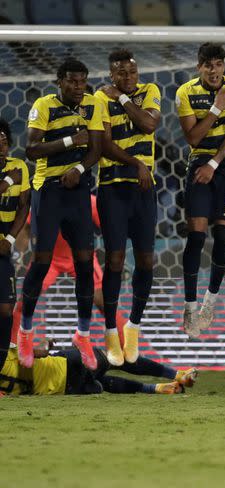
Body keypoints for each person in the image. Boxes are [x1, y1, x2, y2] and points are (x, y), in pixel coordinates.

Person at [20, 57, 104, 370]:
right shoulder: (43, 106)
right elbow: (31, 149)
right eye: (72, 81)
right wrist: (70, 140)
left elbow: (95, 148)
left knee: (85, 262)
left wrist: (80, 169)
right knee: (41, 262)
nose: (78, 87)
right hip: (48, 190)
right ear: (60, 81)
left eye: (82, 81)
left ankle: (83, 335)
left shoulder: (94, 104)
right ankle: (26, 331)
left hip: (79, 190)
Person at [93, 48, 161, 366]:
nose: (128, 77)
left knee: (147, 261)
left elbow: (148, 125)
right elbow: (103, 143)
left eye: (132, 72)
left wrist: (120, 98)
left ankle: (132, 326)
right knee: (116, 260)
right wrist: (137, 163)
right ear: (111, 74)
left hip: (144, 190)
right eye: (121, 73)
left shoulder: (150, 91)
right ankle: (110, 333)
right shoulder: (98, 98)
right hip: (112, 187)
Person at [176, 42, 225, 337]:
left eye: (219, 64)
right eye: (208, 64)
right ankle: (190, 306)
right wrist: (217, 106)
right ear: (199, 67)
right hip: (198, 162)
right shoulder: (185, 93)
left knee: (222, 235)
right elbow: (193, 138)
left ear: (223, 65)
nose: (214, 70)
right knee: (196, 235)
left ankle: (210, 302)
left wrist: (215, 164)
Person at [11, 195, 131, 349]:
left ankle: (125, 351)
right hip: (48, 257)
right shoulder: (44, 198)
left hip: (80, 256)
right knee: (23, 304)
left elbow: (110, 228)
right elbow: (26, 229)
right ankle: (13, 347)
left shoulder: (89, 202)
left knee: (106, 303)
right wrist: (16, 257)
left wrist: (118, 257)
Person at [0, 339, 197, 396]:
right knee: (116, 357)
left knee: (104, 382)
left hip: (66, 390)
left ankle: (158, 389)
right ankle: (178, 375)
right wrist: (45, 343)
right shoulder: (3, 352)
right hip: (68, 365)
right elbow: (38, 353)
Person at [0, 119, 31, 381]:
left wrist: (10, 239)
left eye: (5, 143)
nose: (1, 148)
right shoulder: (15, 173)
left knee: (6, 309)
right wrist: (9, 180)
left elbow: (24, 206)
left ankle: (1, 362)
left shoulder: (19, 166)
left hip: (3, 249)